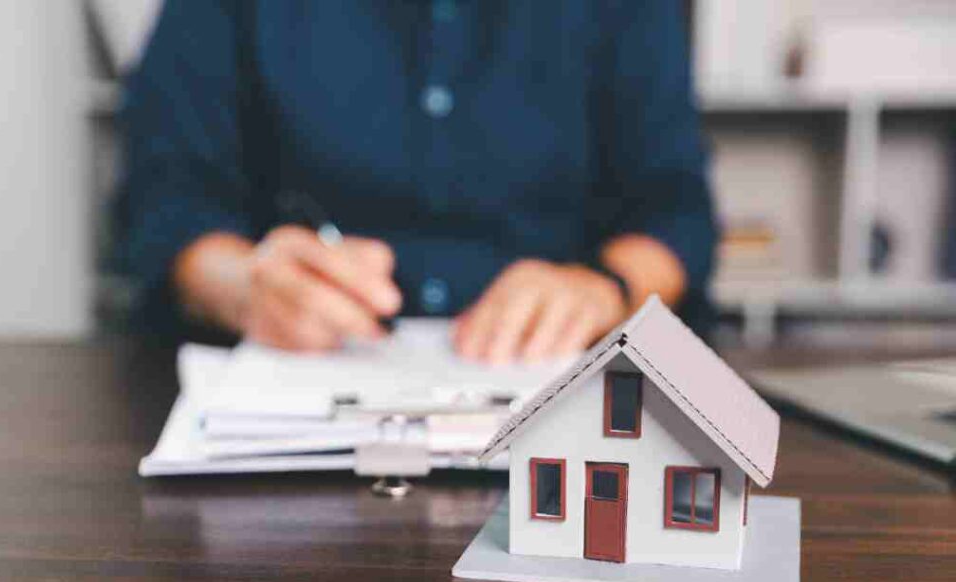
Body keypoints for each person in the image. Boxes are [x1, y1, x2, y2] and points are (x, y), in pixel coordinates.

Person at [119, 0, 716, 364]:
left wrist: (604, 288)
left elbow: (675, 207)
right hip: (281, 380)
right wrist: (244, 286)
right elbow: (165, 197)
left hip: (556, 389)